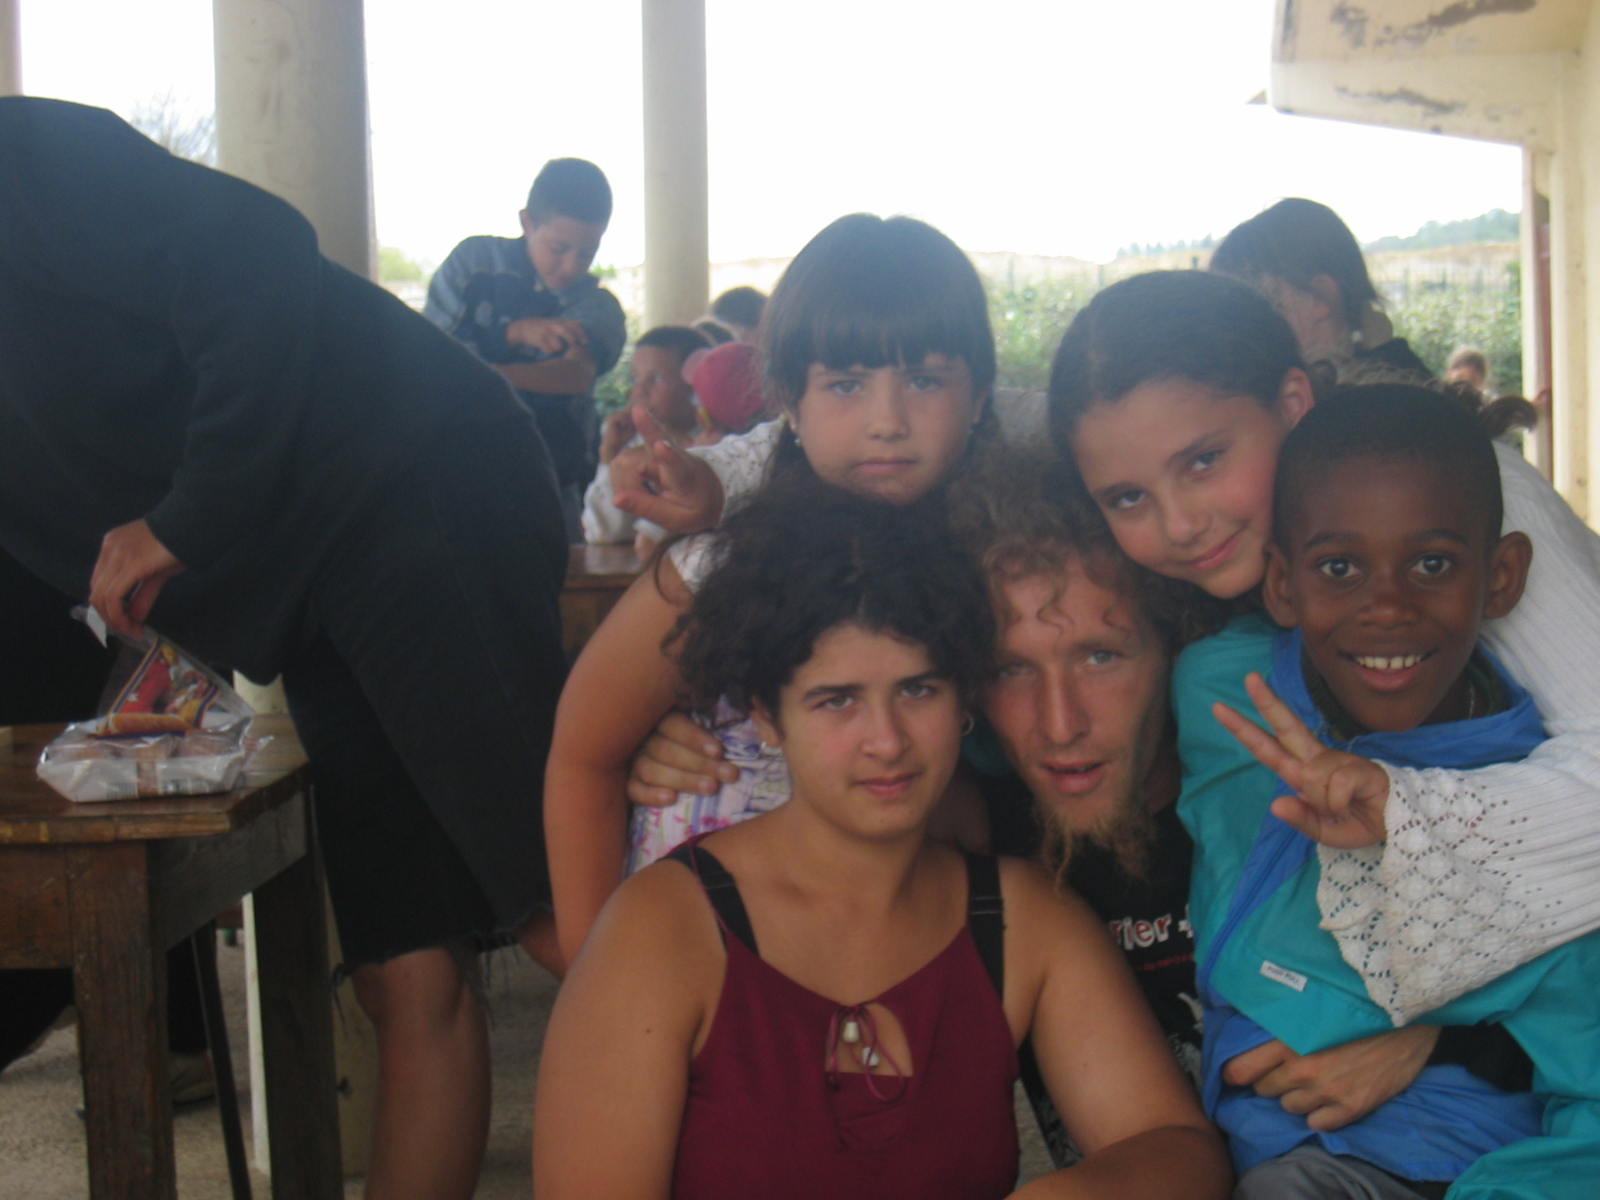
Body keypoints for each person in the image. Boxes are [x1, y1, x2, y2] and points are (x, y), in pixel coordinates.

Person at [0, 98, 569, 1198]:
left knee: (564, 911)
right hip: (306, 585)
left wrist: (188, 517)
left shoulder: (18, 162)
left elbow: (256, 252)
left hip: (415, 481)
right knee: (406, 970)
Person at [532, 479, 1229, 1199]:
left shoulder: (1025, 919)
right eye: (837, 700)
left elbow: (1176, 1149)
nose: (887, 741)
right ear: (766, 714)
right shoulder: (660, 929)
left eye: (918, 689)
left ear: (963, 697)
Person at [1049, 268, 1600, 1025]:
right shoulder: (1211, 629)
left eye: (1204, 461)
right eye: (1128, 498)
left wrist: (1450, 1041)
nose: (1179, 524)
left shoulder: (1459, 490)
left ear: (1293, 403)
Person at [545, 212, 998, 970]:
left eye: (925, 379)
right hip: (697, 959)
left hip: (891, 957)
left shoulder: (1002, 556)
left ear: (980, 395)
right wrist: (594, 979)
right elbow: (585, 754)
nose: (888, 422)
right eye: (846, 384)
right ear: (790, 399)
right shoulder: (716, 571)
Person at [1184, 386, 1600, 1196]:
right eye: (1340, 568)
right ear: (1282, 584)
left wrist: (1442, 1043)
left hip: (1484, 1161)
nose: (1386, 607)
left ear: (1502, 577)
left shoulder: (1535, 791)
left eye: (1432, 564)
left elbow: (1584, 1068)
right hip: (1282, 1152)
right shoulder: (1223, 696)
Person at [424, 157, 627, 539]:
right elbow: (431, 358)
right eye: (558, 248)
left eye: (586, 253)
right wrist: (513, 334)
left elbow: (575, 375)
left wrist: (482, 375)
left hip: (550, 482)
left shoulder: (598, 305)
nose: (571, 266)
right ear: (527, 222)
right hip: (451, 473)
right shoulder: (473, 264)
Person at [1209, 198, 1431, 383]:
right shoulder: (1399, 379)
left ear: (1320, 297)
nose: (1240, 331)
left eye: (1260, 306)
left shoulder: (1381, 405)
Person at [581, 325, 711, 548]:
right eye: (636, 378)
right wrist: (609, 457)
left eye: (656, 379)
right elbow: (605, 533)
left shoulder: (715, 445)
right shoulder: (630, 441)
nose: (639, 390)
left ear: (695, 387)